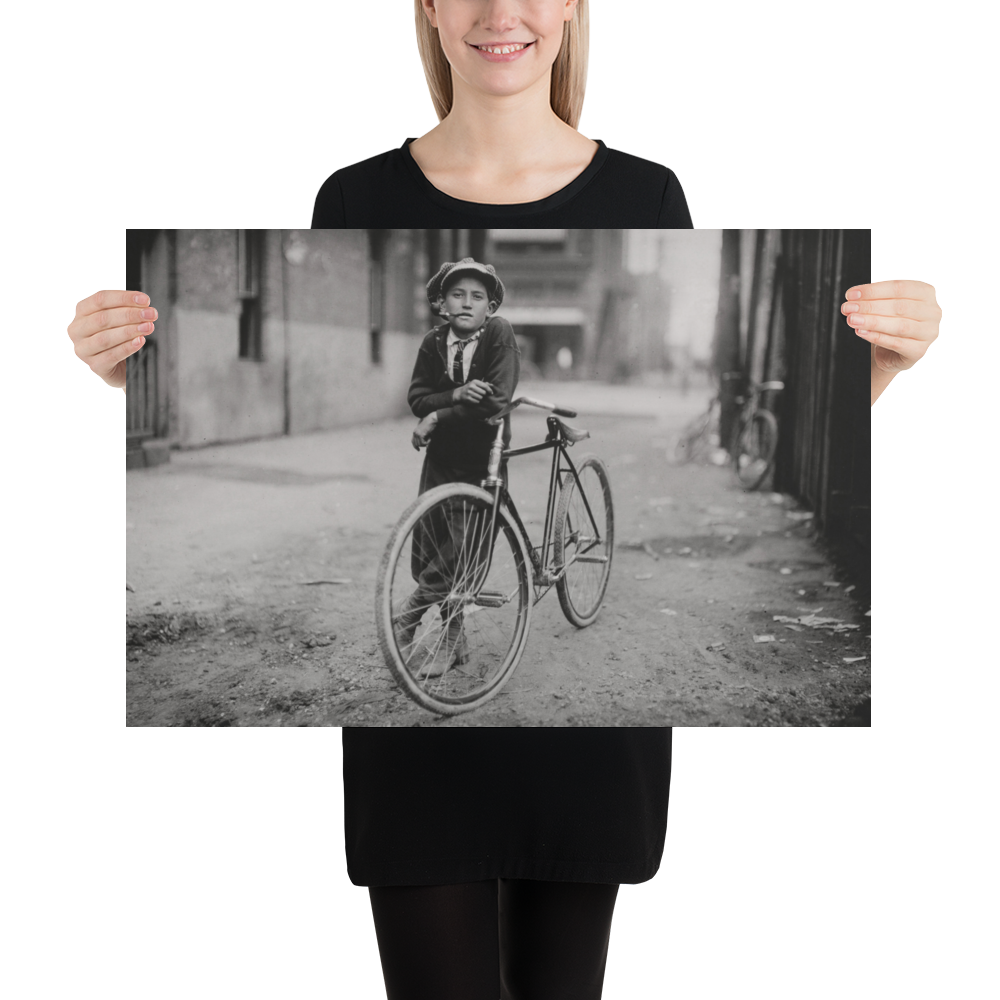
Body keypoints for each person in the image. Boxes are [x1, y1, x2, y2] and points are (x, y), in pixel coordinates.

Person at [396, 256, 520, 677]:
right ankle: (456, 638)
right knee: (430, 540)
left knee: (464, 548)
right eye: (457, 294)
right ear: (442, 303)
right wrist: (455, 396)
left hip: (483, 455)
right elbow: (416, 397)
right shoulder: (434, 342)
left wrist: (438, 415)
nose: (466, 303)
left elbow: (497, 400)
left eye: (477, 296)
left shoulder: (499, 334)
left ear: (490, 306)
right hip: (441, 458)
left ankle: (413, 617)